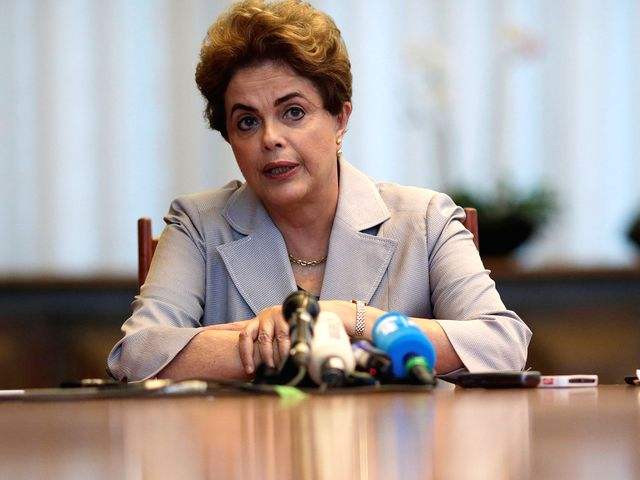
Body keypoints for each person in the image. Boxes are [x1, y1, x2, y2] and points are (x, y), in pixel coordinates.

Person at [107, 0, 531, 383]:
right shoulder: (199, 225)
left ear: (340, 119)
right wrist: (295, 343)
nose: (270, 138)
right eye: (247, 121)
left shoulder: (425, 220)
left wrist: (350, 319)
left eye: (293, 112)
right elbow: (138, 355)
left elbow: (501, 345)